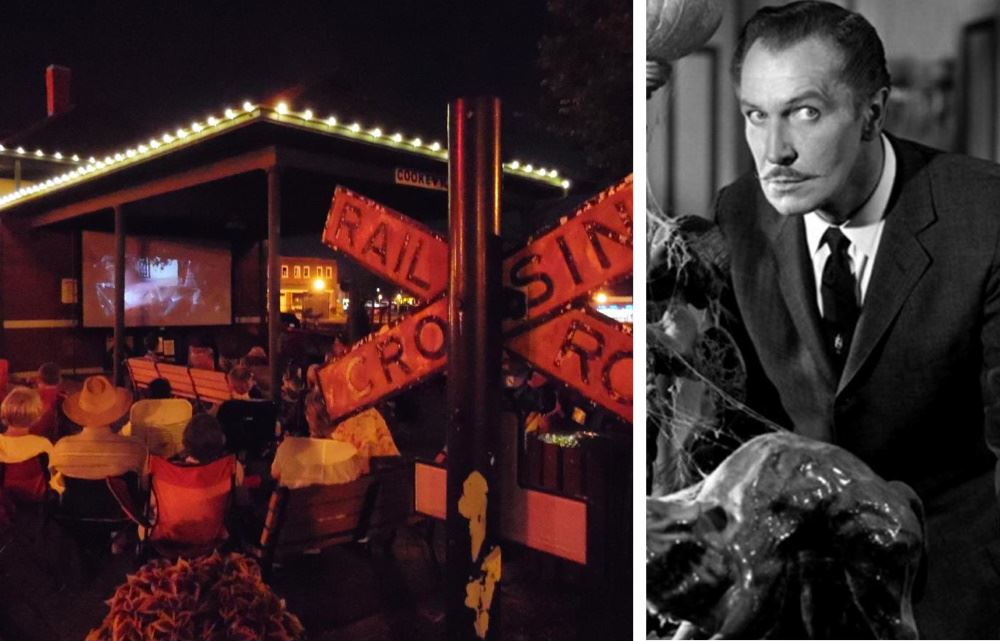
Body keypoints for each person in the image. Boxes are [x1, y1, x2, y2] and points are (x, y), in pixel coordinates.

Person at [715, 2, 1000, 637]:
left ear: (872, 112)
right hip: (795, 591)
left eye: (805, 113)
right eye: (755, 116)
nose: (774, 151)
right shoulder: (740, 215)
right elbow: (743, 422)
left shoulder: (984, 217)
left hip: (949, 589)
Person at [50, 375, 147, 492]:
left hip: (73, 510)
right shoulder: (136, 449)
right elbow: (144, 486)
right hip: (120, 509)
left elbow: (56, 486)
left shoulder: (61, 449)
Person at [270, 388, 364, 488]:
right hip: (343, 502)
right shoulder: (352, 455)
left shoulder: (288, 448)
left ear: (309, 417)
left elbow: (274, 475)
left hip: (300, 503)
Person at [0, 387, 55, 504]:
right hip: (36, 497)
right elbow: (52, 475)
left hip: (3, 501)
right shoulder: (43, 444)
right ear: (37, 417)